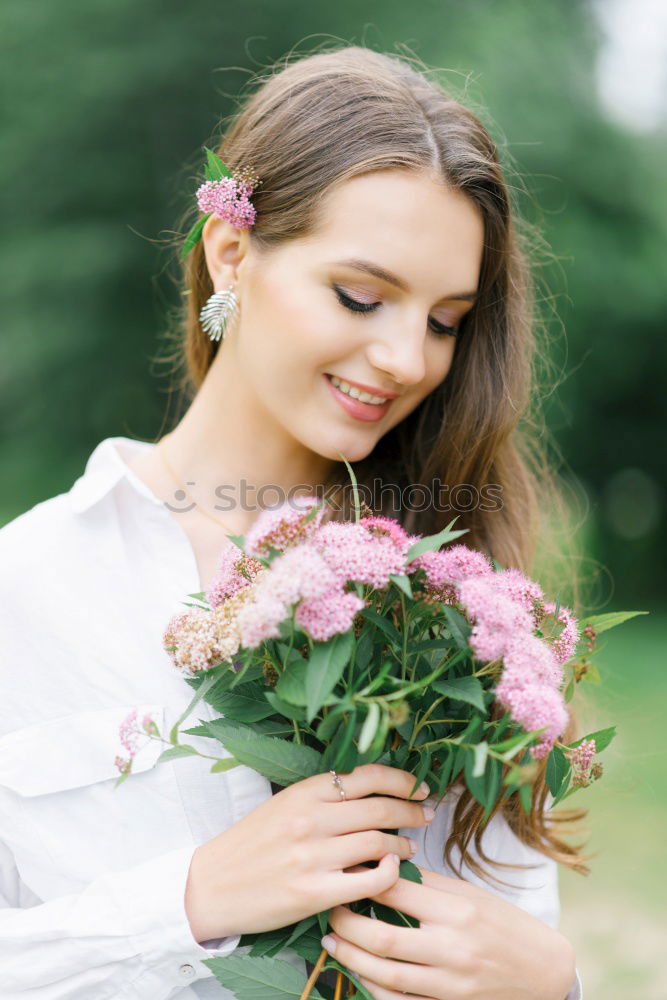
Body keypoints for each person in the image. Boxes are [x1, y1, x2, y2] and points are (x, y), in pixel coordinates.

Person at [0, 44, 585, 999]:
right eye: (360, 296)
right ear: (231, 252)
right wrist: (188, 901)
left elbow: (511, 917)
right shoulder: (24, 591)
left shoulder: (461, 590)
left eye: (444, 321)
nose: (405, 357)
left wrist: (552, 985)